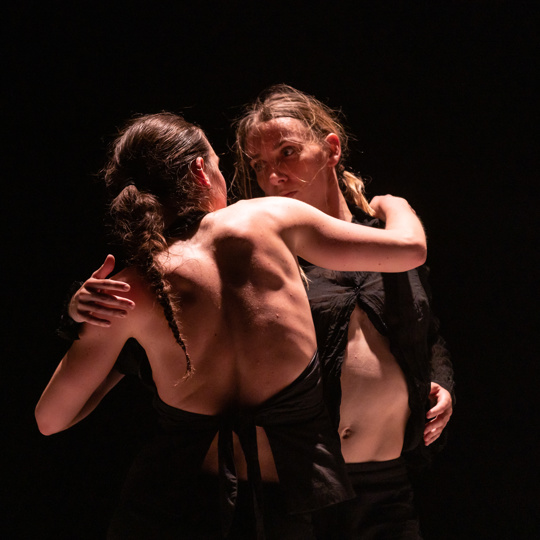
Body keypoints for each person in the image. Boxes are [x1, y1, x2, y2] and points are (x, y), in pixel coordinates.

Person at [37, 112, 427, 539]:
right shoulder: (269, 217)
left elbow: (51, 419)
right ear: (200, 171)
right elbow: (409, 249)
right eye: (221, 165)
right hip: (282, 512)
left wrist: (98, 337)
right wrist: (396, 205)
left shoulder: (130, 289)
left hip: (171, 509)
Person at [232, 85, 454, 539]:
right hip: (300, 488)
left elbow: (428, 333)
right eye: (258, 165)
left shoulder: (388, 238)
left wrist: (442, 384)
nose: (273, 175)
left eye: (287, 152)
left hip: (387, 485)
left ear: (331, 149)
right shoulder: (268, 255)